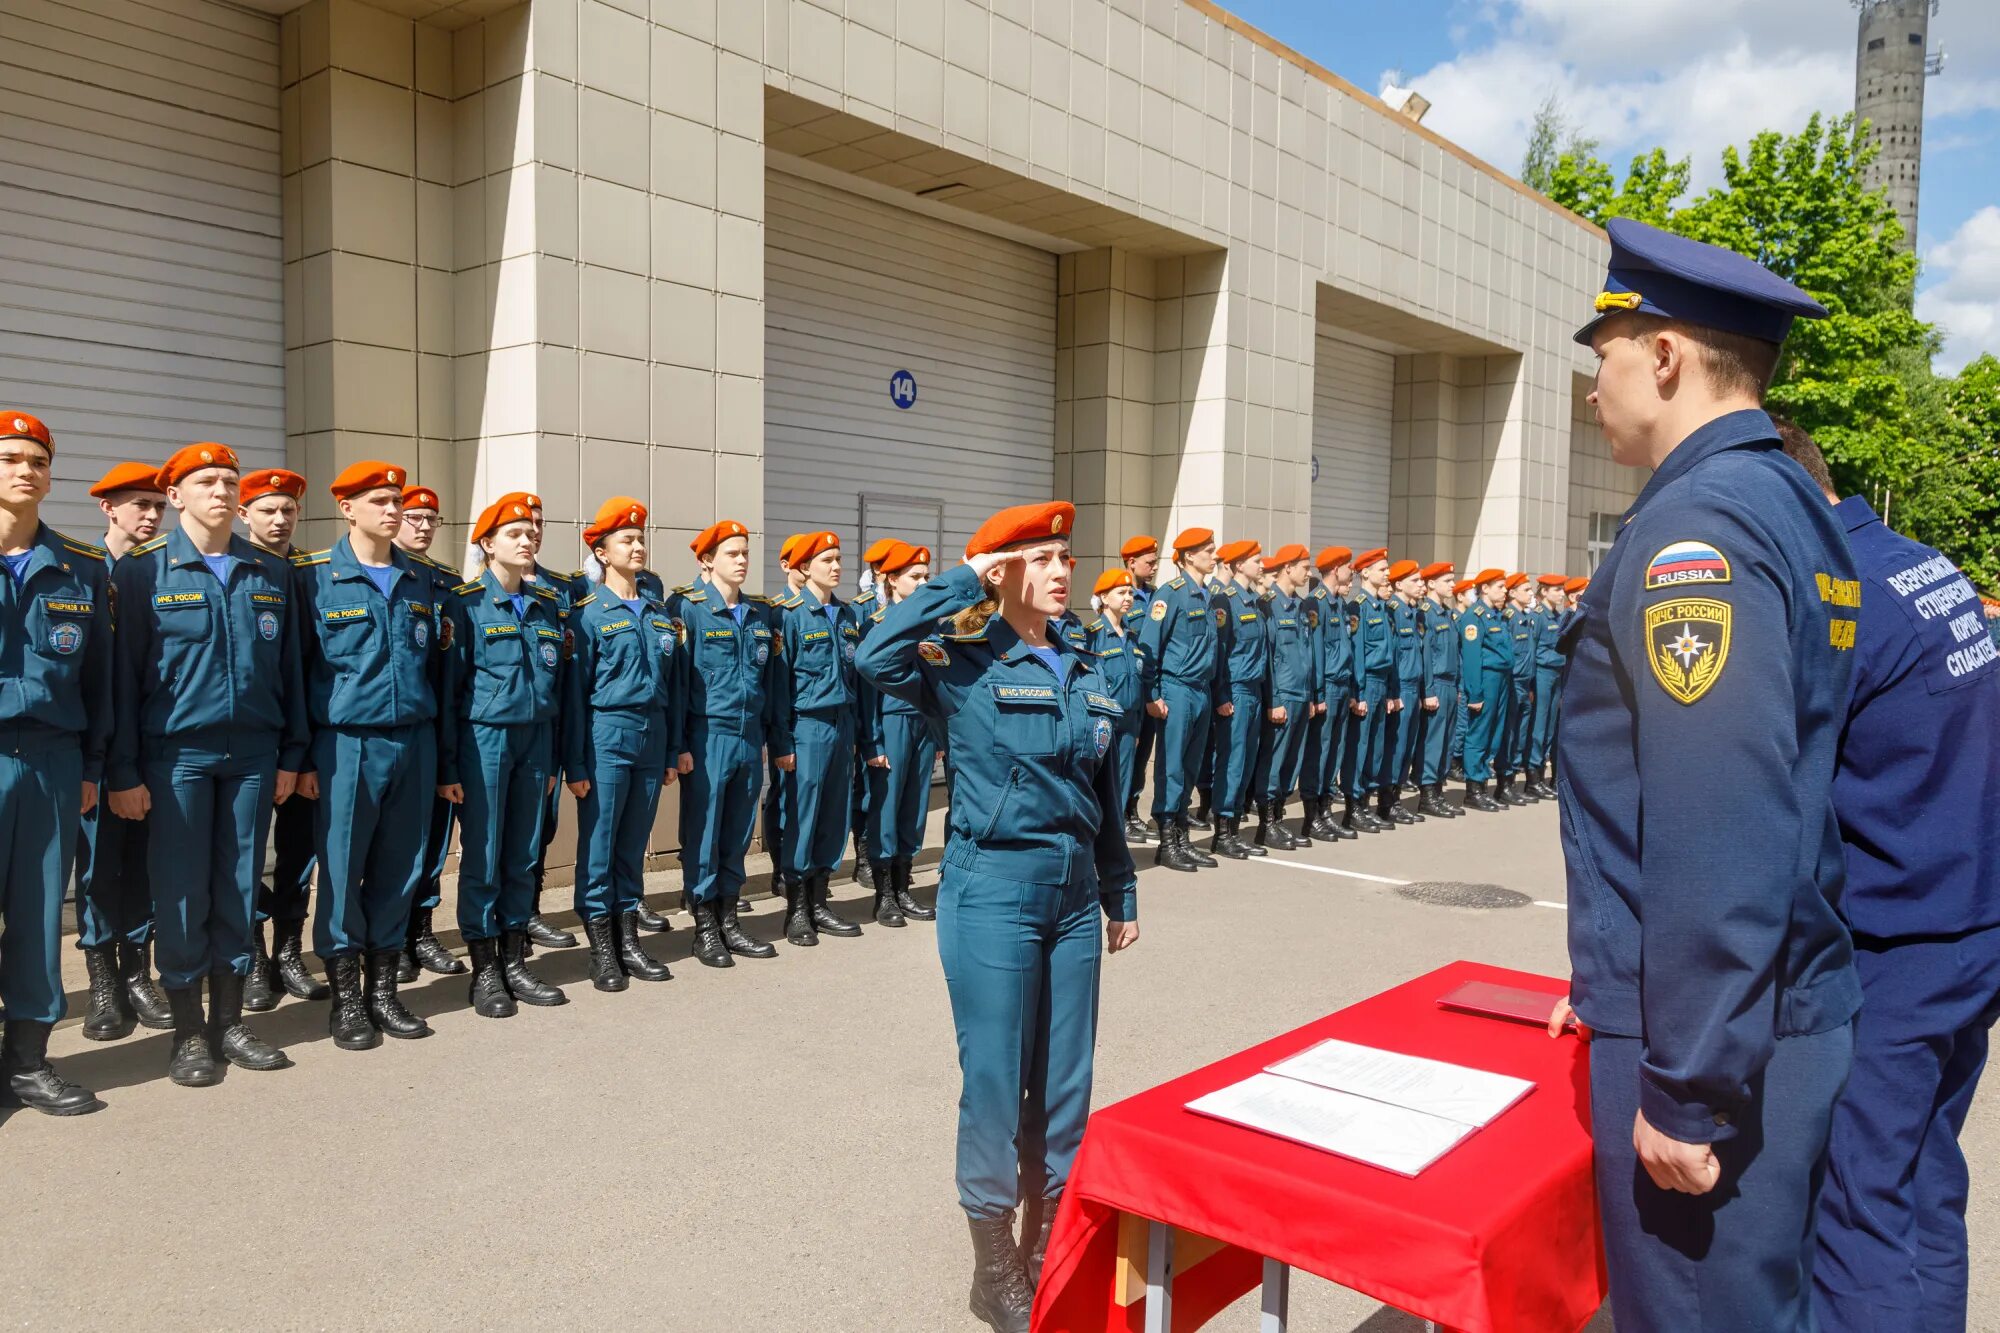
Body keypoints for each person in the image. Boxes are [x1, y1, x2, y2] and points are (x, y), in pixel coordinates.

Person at [1550, 217, 1856, 1332]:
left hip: (1710, 1042)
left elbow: (1715, 821)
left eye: (1605, 355)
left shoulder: (1696, 530)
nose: (1595, 388)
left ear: (1665, 356)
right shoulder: (1783, 498)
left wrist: (1681, 1083)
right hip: (1762, 1007)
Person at [854, 501, 1139, 1333]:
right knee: (993, 1081)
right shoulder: (960, 659)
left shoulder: (1084, 665)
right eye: (1042, 557)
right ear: (1005, 567)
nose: (1061, 571)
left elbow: (1102, 792)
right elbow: (872, 653)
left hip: (1075, 893)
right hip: (993, 890)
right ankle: (994, 1269)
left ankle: (1047, 1245)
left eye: (1066, 557)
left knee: (1063, 1084)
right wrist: (962, 579)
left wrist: (1119, 887)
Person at [1763, 426, 2000, 1333]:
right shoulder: (1918, 563)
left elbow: (1780, 798)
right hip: (1964, 922)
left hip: (1900, 944)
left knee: (1860, 1208)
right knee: (1925, 1184)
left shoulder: (1840, 596)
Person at [108, 442, 310, 1084]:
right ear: (175, 497)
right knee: (181, 893)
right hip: (177, 757)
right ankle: (189, 1034)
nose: (221, 491)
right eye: (206, 482)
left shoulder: (270, 571)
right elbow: (121, 679)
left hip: (254, 755)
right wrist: (124, 769)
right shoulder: (141, 572)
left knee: (239, 887)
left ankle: (230, 1024)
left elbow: (291, 673)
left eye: (229, 480)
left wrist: (291, 754)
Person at [292, 461, 445, 1049]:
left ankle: (385, 990)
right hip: (346, 743)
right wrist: (302, 757)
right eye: (378, 500)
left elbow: (435, 666)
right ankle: (348, 998)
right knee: (342, 868)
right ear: (346, 508)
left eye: (396, 501)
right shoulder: (313, 578)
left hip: (414, 738)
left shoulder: (422, 581)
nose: (392, 510)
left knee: (400, 867)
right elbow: (297, 674)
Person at [0, 410, 112, 1116]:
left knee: (41, 914)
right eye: (10, 457)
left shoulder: (81, 567)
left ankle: (28, 1060)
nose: (25, 471)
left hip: (51, 760)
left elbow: (100, 682)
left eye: (37, 460)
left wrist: (93, 768)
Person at [439, 496, 572, 1013]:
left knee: (523, 853)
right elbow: (451, 691)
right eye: (513, 533)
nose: (526, 540)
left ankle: (516, 961)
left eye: (530, 533)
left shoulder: (545, 605)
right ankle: (485, 969)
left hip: (534, 741)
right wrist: (450, 765)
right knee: (485, 856)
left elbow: (555, 691)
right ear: (487, 544)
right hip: (485, 741)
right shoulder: (466, 604)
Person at [564, 498, 685, 991]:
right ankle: (602, 950)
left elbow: (674, 688)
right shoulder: (588, 616)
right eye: (625, 540)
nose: (637, 546)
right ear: (602, 551)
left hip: (651, 737)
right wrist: (574, 762)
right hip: (606, 734)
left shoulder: (658, 615)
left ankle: (628, 938)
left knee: (634, 843)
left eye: (640, 538)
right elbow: (575, 696)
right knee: (600, 844)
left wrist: (674, 747)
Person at [73, 461, 172, 1041]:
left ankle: (138, 974)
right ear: (108, 509)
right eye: (139, 505)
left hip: (149, 748)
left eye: (158, 506)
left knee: (142, 866)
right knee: (97, 873)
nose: (151, 515)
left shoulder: (163, 572)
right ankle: (103, 983)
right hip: (95, 751)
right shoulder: (84, 571)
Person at [671, 520, 794, 968]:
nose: (743, 561)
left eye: (745, 553)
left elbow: (774, 684)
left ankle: (728, 917)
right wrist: (679, 743)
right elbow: (679, 684)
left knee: (738, 832)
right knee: (704, 832)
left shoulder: (761, 614)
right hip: (707, 736)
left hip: (749, 736)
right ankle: (704, 926)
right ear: (707, 560)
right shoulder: (687, 609)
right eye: (732, 554)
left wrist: (772, 739)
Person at [235, 467, 329, 1014]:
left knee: (298, 853)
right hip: (253, 736)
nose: (279, 518)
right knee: (245, 855)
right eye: (267, 509)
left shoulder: (316, 573)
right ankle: (249, 957)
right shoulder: (242, 569)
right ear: (244, 514)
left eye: (288, 509)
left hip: (309, 738)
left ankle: (289, 953)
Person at [394, 483, 471, 980]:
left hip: (439, 722)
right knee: (393, 843)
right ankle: (391, 938)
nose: (422, 527)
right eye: (413, 517)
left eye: (431, 520)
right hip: (393, 723)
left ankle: (422, 931)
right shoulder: (382, 572)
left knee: (434, 837)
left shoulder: (448, 581)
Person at [774, 530, 866, 945]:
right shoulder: (789, 614)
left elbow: (858, 681)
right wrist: (782, 742)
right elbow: (778, 686)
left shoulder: (848, 616)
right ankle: (796, 909)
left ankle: (820, 901)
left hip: (842, 722)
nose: (835, 566)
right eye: (826, 560)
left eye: (838, 559)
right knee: (803, 815)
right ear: (805, 567)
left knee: (834, 814)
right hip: (806, 725)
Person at [861, 540, 938, 926]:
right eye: (915, 576)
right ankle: (884, 895)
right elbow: (867, 689)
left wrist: (939, 735)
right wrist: (873, 741)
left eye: (927, 575)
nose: (924, 581)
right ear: (892, 580)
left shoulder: (931, 624)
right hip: (890, 721)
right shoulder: (877, 624)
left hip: (923, 723)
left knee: (915, 807)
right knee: (887, 807)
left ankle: (904, 885)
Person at [1137, 529, 1221, 871]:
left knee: (1190, 765)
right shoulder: (1169, 594)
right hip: (1177, 689)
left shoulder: (1206, 595)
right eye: (1209, 551)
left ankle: (1182, 835)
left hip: (1201, 690)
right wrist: (1152, 694)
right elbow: (1148, 648)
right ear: (1188, 557)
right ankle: (1167, 840)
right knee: (1171, 767)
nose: (1214, 557)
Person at [1252, 544, 1316, 849]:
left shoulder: (1301, 605)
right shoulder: (1268, 604)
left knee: (1292, 761)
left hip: (1302, 694)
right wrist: (1274, 700)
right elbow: (1269, 657)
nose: (1309, 572)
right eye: (1305, 566)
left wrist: (1312, 696)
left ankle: (1279, 816)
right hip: (1284, 695)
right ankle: (1267, 824)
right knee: (1274, 761)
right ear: (1288, 567)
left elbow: (1307, 653)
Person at [1207, 539, 1267, 860]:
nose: (1261, 565)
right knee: (1231, 761)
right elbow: (1221, 651)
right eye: (1255, 560)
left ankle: (1234, 828)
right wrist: (1222, 694)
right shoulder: (1225, 601)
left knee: (1245, 763)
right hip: (1237, 691)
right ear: (1238, 564)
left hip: (1255, 690)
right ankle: (1222, 832)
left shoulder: (1254, 602)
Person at [848, 535, 898, 891]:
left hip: (893, 709)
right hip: (868, 706)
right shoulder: (861, 608)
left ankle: (885, 858)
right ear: (880, 571)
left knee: (886, 790)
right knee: (865, 787)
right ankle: (864, 854)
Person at [1298, 547, 1356, 841]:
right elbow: (1316, 653)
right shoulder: (1316, 602)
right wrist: (1318, 693)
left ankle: (1325, 810)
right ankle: (1311, 816)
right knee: (1318, 754)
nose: (1352, 572)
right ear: (1336, 569)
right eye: (1349, 567)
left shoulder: (1339, 604)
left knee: (1335, 751)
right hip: (1328, 687)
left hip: (1343, 685)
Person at [1086, 568, 1145, 848]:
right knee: (1099, 784)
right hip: (1104, 722)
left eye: (1131, 592)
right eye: (1121, 592)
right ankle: (1095, 841)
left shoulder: (1131, 637)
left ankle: (1114, 838)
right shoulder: (1093, 635)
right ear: (1103, 598)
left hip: (1129, 722)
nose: (1128, 597)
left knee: (1122, 782)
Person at [1339, 548, 1394, 834]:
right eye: (1382, 569)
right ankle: (1352, 808)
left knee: (1375, 747)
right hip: (1367, 682)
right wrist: (1358, 692)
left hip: (1381, 682)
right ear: (1366, 573)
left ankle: (1365, 803)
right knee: (1359, 747)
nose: (1387, 573)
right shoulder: (1357, 607)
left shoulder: (1381, 607)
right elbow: (1357, 653)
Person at [1457, 568, 1512, 812]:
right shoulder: (1474, 617)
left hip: (1501, 679)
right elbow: (1471, 659)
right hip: (1485, 679)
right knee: (1478, 733)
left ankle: (1482, 782)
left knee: (1494, 733)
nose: (1505, 590)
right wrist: (1475, 693)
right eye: (1500, 586)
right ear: (1485, 588)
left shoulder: (1496, 615)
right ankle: (1474, 789)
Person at [1377, 559, 1428, 824]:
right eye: (1415, 580)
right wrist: (1391, 692)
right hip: (1400, 688)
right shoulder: (1393, 611)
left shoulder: (1412, 612)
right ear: (1399, 584)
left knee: (1407, 747)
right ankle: (1387, 802)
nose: (1421, 585)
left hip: (1412, 687)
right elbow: (1392, 657)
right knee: (1395, 747)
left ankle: (1395, 797)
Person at [1118, 535, 1161, 840]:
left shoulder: (1156, 596)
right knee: (1125, 754)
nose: (1154, 566)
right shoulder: (1120, 593)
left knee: (1143, 752)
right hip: (1129, 687)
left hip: (1150, 684)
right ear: (1132, 563)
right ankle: (1119, 813)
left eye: (1155, 561)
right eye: (1149, 561)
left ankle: (1132, 809)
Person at [1415, 562, 1462, 818]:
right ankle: (1427, 795)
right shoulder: (1427, 614)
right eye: (1447, 580)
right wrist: (1429, 690)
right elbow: (1426, 656)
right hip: (1437, 685)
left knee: (1446, 742)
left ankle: (1439, 790)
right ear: (1431, 583)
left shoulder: (1447, 613)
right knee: (1433, 742)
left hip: (1450, 683)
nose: (1452, 585)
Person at [1523, 573, 1568, 798]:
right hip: (1542, 674)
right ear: (1544, 592)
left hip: (1555, 676)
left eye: (1562, 589)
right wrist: (1531, 683)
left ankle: (1541, 773)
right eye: (1557, 589)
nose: (1561, 594)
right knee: (1539, 728)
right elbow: (1533, 651)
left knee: (1549, 727)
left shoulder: (1557, 616)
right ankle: (1533, 777)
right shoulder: (1538, 616)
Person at [1496, 573, 1540, 805]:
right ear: (1513, 593)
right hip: (1513, 681)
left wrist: (1531, 684)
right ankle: (1504, 783)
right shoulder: (1510, 617)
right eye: (1526, 590)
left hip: (1525, 683)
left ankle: (1512, 781)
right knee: (1509, 734)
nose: (1531, 594)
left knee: (1520, 734)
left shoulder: (1527, 617)